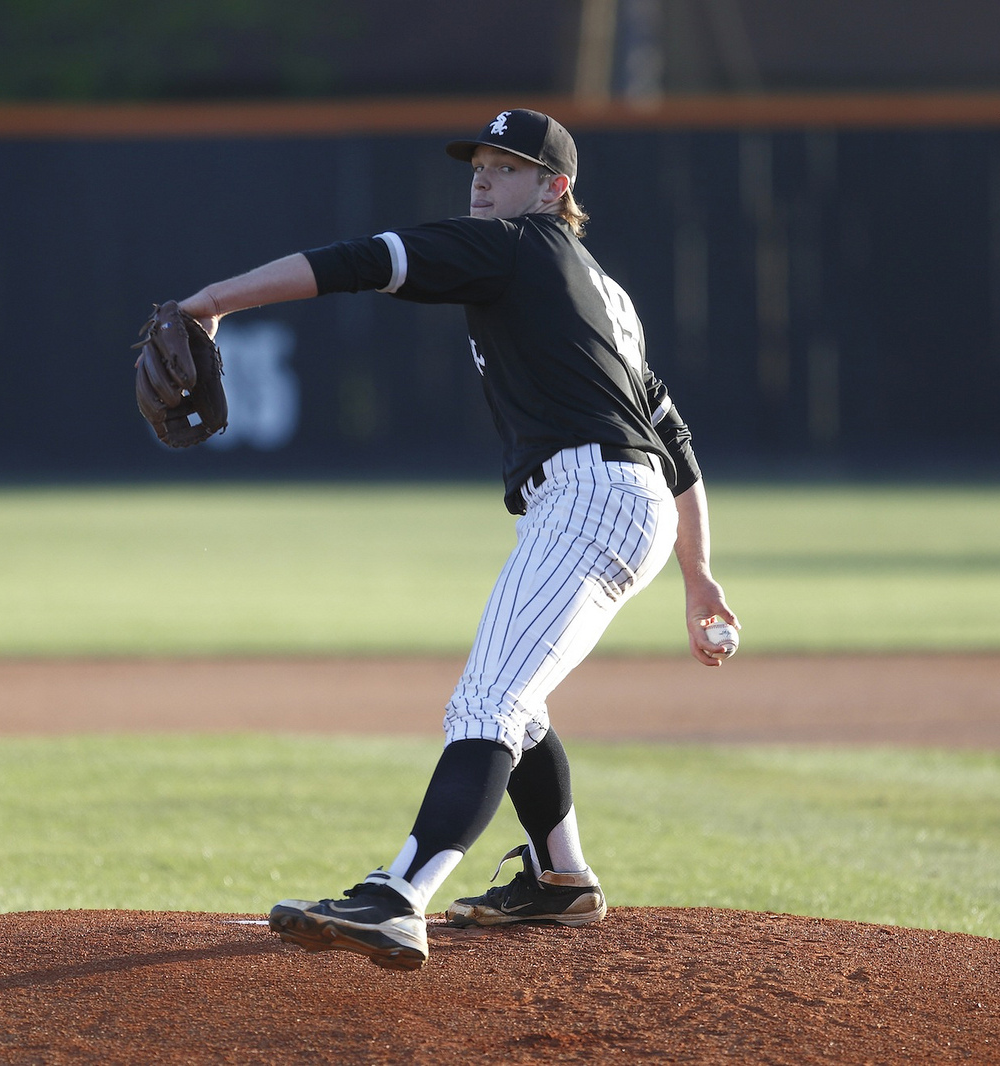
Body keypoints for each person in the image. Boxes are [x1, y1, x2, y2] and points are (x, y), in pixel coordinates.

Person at [176, 108, 739, 971]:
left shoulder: (516, 244)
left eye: (507, 166)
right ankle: (561, 881)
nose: (483, 178)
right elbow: (677, 439)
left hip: (591, 495)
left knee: (489, 707)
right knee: (516, 694)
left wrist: (215, 301)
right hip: (614, 498)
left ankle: (399, 894)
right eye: (478, 163)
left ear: (555, 189)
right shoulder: (604, 295)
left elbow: (366, 260)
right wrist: (697, 572)